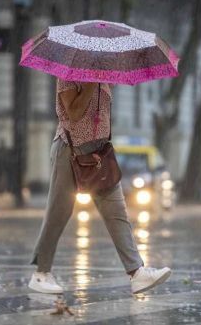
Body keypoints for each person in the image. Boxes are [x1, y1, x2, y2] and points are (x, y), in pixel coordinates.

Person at [29, 78, 171, 295]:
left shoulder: (103, 74)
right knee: (59, 212)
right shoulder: (69, 73)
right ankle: (41, 274)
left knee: (117, 213)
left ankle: (137, 273)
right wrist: (90, 85)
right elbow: (74, 113)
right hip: (70, 152)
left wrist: (103, 83)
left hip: (98, 154)